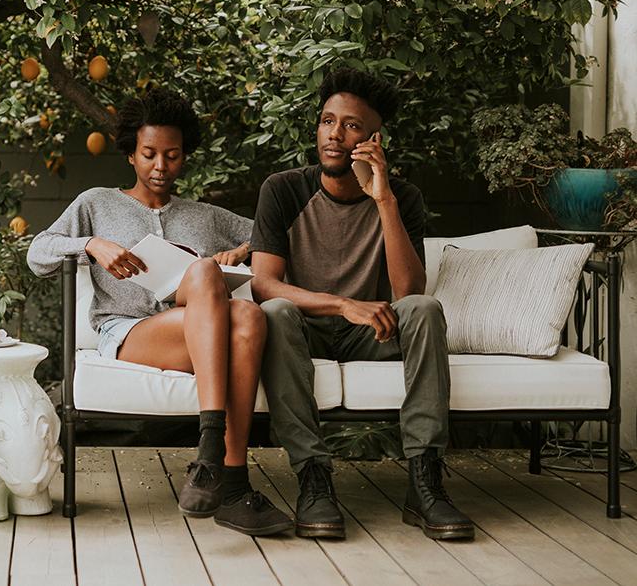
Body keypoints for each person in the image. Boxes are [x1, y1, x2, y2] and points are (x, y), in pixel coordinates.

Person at [28, 89, 290, 536]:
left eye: (172, 155)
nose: (160, 166)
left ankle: (227, 478)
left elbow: (274, 233)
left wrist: (243, 248)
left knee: (248, 316)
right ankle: (216, 454)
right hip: (127, 332)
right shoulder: (96, 204)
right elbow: (38, 253)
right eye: (149, 154)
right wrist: (92, 244)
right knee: (210, 278)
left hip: (195, 332)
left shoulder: (204, 215)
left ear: (185, 156)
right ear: (131, 153)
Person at [250, 70, 475, 541]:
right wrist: (342, 304)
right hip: (307, 328)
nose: (334, 134)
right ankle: (313, 478)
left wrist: (384, 199)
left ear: (373, 139)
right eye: (327, 121)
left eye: (350, 126)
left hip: (372, 332)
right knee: (274, 313)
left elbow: (409, 290)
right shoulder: (283, 189)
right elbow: (264, 285)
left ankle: (425, 481)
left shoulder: (403, 197)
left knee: (425, 310)